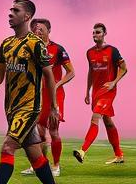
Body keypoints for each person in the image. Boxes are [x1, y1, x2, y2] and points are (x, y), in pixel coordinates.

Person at [0, 0, 59, 184]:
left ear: (27, 16)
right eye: (10, 9)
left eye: (16, 10)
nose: (10, 13)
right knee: (35, 155)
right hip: (11, 108)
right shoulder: (6, 44)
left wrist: (53, 107)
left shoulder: (36, 44)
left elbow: (49, 75)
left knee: (7, 147)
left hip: (28, 107)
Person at [22, 18, 73, 177]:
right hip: (36, 95)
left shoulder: (57, 49)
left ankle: (56, 166)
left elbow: (71, 72)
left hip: (54, 96)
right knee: (38, 132)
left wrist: (57, 85)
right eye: (35, 29)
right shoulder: (30, 48)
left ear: (48, 30)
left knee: (53, 130)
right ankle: (40, 165)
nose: (38, 31)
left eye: (41, 29)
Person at [73, 22, 125, 165]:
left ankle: (82, 151)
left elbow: (124, 68)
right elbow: (91, 72)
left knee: (95, 118)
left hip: (108, 91)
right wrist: (87, 91)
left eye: (98, 32)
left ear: (104, 33)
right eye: (94, 32)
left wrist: (114, 82)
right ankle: (119, 155)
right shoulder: (89, 52)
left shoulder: (112, 51)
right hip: (96, 92)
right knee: (108, 122)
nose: (95, 35)